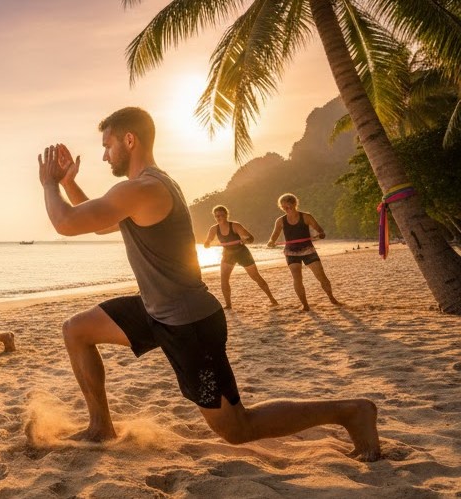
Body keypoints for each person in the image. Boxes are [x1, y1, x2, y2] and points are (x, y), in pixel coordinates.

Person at [38, 107, 379, 460]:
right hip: (157, 308)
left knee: (237, 428)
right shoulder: (147, 186)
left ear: (129, 140)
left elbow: (66, 223)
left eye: (108, 145)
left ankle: (351, 411)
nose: (104, 155)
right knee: (76, 330)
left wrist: (49, 182)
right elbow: (96, 220)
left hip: (188, 324)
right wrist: (67, 183)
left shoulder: (144, 188)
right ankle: (100, 428)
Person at [265, 193, 341, 311]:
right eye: (284, 208)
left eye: (288, 206)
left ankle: (331, 298)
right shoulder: (280, 221)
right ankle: (305, 304)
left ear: (295, 204)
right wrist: (271, 242)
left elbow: (319, 229)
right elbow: (274, 236)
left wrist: (321, 234)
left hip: (308, 249)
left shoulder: (306, 217)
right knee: (297, 278)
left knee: (321, 276)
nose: (286, 209)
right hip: (291, 252)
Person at [203, 205, 278, 309]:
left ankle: (272, 299)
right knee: (224, 279)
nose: (219, 217)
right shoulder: (214, 229)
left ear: (226, 215)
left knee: (255, 276)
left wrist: (245, 240)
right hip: (228, 254)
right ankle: (228, 305)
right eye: (217, 216)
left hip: (242, 253)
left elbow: (251, 238)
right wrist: (207, 243)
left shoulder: (235, 226)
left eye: (221, 215)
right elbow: (208, 241)